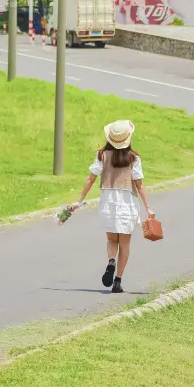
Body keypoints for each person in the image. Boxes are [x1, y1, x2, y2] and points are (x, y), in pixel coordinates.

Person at [72, 120, 154, 294]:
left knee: (111, 239)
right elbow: (139, 185)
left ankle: (111, 261)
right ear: (128, 138)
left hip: (108, 201)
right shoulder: (134, 158)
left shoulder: (101, 155)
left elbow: (90, 179)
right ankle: (118, 281)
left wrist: (79, 201)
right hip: (127, 203)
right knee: (124, 244)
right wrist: (148, 208)